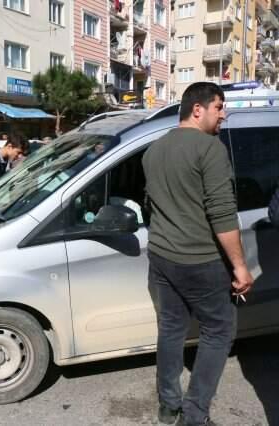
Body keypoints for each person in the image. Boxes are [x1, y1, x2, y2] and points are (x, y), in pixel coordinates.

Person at [142, 82, 254, 426]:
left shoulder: (153, 149)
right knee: (218, 333)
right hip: (200, 261)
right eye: (219, 107)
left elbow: (152, 205)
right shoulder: (210, 148)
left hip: (161, 257)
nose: (224, 114)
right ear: (197, 109)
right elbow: (222, 213)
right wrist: (240, 267)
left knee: (171, 330)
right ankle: (194, 415)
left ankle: (168, 406)